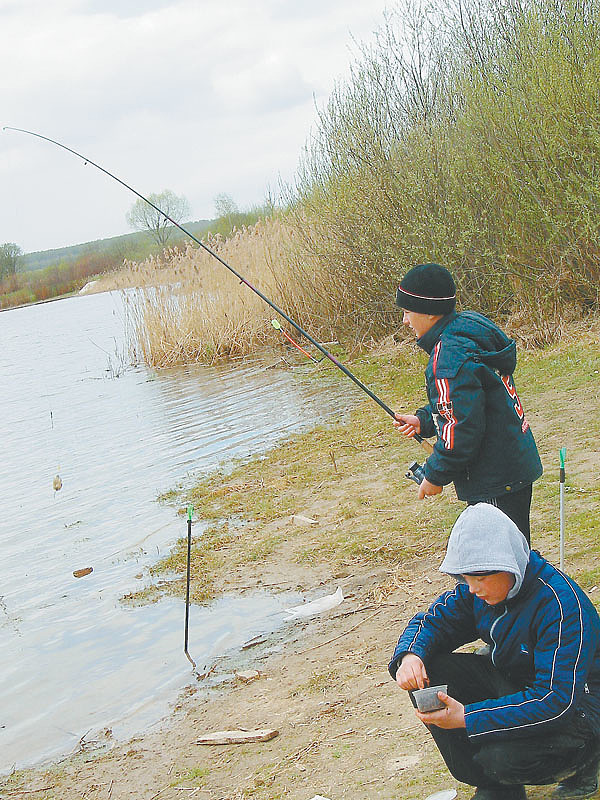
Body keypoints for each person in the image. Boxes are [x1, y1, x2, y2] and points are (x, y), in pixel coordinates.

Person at [389, 504, 600, 800]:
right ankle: (499, 788)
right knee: (430, 672)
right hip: (516, 681)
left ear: (509, 564)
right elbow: (434, 620)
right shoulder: (478, 589)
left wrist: (469, 717)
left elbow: (556, 701)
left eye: (480, 578)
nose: (472, 589)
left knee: (501, 759)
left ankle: (588, 761)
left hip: (581, 708)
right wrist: (410, 656)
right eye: (466, 578)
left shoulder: (560, 607)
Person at [393, 262, 543, 542]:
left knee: (500, 564)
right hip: (514, 463)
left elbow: (461, 429)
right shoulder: (467, 330)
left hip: (494, 477)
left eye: (407, 311)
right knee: (513, 553)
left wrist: (435, 476)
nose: (405, 321)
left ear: (427, 311)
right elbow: (470, 401)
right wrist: (424, 420)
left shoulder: (447, 356)